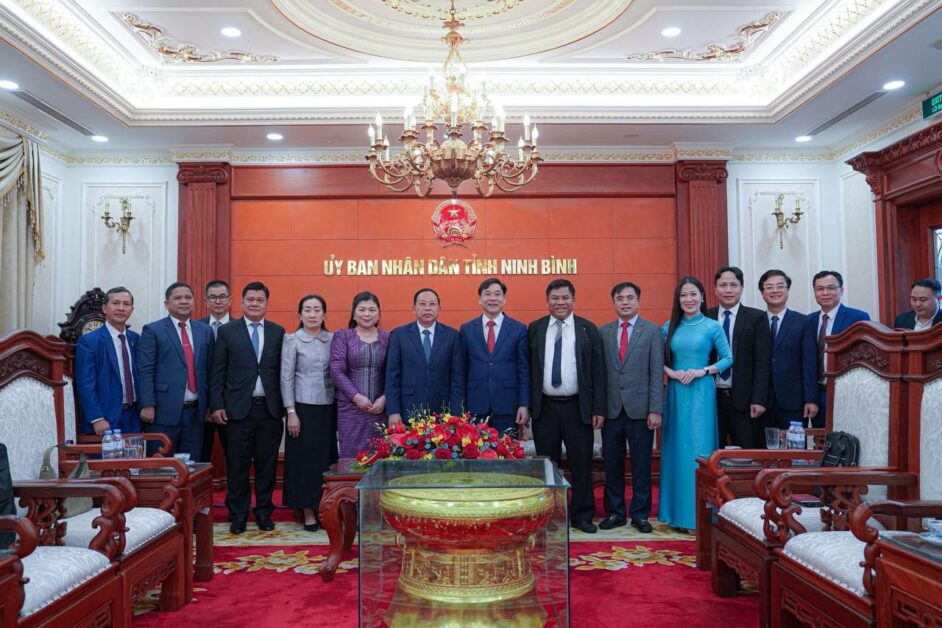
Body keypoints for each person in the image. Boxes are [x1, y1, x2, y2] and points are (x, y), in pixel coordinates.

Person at [528, 279, 606, 534]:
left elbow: (598, 371)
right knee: (547, 465)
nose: (560, 303)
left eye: (565, 298)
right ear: (547, 301)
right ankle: (550, 515)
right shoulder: (536, 328)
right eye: (555, 298)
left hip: (577, 406)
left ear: (573, 300)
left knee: (581, 463)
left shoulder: (587, 329)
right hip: (545, 408)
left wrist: (598, 408)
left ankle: (582, 515)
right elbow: (529, 369)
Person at [209, 281, 285, 534]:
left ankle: (264, 512)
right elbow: (218, 371)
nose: (255, 304)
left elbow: (282, 372)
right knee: (237, 466)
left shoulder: (278, 332)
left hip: (269, 410)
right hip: (237, 410)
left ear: (267, 304)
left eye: (260, 300)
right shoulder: (227, 331)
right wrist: (217, 405)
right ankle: (238, 514)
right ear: (241, 302)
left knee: (266, 465)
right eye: (250, 300)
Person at [659, 276, 732, 532]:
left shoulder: (712, 326)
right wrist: (672, 372)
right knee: (676, 450)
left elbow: (728, 358)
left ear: (702, 296)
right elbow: (657, 359)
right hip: (676, 392)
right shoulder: (669, 326)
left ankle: (697, 518)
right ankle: (674, 515)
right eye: (683, 295)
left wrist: (703, 371)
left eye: (693, 294)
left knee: (699, 450)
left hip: (701, 393)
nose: (688, 299)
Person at [598, 282, 663, 533]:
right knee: (612, 464)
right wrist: (599, 409)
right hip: (612, 410)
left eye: (629, 298)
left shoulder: (652, 331)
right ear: (613, 302)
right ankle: (615, 512)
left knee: (641, 465)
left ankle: (640, 514)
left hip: (641, 410)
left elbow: (656, 373)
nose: (625, 302)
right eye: (620, 298)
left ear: (638, 301)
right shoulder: (603, 332)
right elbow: (599, 375)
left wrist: (655, 409)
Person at [136, 282, 214, 459]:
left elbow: (210, 369)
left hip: (196, 413)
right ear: (167, 304)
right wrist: (147, 404)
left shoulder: (205, 331)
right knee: (161, 466)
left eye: (188, 297)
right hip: (162, 412)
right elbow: (145, 370)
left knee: (191, 465)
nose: (184, 301)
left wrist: (211, 404)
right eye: (178, 298)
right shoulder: (153, 330)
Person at [281, 294, 336, 532]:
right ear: (300, 314)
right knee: (305, 461)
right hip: (302, 408)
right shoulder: (292, 340)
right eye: (307, 310)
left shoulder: (333, 339)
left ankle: (325, 506)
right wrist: (291, 411)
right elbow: (286, 377)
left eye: (317, 310)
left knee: (325, 459)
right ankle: (307, 510)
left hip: (329, 406)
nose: (312, 314)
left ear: (324, 314)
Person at [706, 266, 771, 449]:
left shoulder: (757, 317)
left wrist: (759, 399)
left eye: (733, 285)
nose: (728, 290)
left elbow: (763, 362)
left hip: (745, 402)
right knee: (710, 453)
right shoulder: (705, 317)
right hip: (711, 398)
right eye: (723, 285)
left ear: (742, 288)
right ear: (715, 289)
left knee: (746, 455)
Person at [458, 278, 530, 436]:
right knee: (473, 450)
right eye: (487, 294)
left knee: (508, 450)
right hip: (475, 406)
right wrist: (459, 407)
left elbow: (523, 370)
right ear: (480, 299)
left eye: (497, 294)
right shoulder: (467, 329)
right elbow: (461, 371)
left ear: (504, 299)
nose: (492, 298)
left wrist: (524, 404)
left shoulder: (518, 329)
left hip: (507, 406)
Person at [385, 288, 464, 426]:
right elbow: (392, 375)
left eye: (432, 304)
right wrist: (393, 411)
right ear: (414, 309)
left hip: (443, 410)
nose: (427, 308)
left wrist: (457, 413)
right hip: (408, 409)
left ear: (439, 309)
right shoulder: (399, 335)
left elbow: (457, 377)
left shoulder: (452, 336)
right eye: (422, 304)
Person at [329, 292, 389, 458]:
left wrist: (385, 398)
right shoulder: (343, 336)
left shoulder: (388, 337)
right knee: (351, 459)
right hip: (350, 410)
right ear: (354, 314)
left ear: (379, 314)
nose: (367, 314)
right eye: (362, 309)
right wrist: (356, 397)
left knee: (380, 456)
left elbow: (394, 372)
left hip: (380, 409)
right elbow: (336, 370)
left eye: (372, 310)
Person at [75, 286, 142, 435]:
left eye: (126, 304)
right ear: (105, 308)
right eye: (115, 303)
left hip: (134, 416)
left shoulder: (136, 339)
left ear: (131, 310)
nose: (121, 308)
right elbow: (85, 384)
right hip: (105, 418)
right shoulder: (90, 341)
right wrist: (96, 418)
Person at [808, 270, 870, 427]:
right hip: (816, 393)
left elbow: (865, 356)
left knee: (846, 437)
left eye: (831, 288)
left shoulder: (858, 318)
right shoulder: (808, 320)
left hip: (847, 393)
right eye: (820, 289)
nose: (825, 293)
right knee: (820, 437)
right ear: (814, 293)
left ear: (841, 290)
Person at [758, 269, 818, 430]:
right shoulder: (756, 321)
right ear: (762, 293)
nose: (775, 290)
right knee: (764, 445)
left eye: (780, 286)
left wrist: (811, 399)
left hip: (794, 402)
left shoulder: (803, 322)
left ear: (787, 291)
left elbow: (809, 364)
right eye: (769, 287)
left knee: (794, 445)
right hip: (762, 403)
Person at [199, 279, 232, 463]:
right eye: (213, 297)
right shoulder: (195, 328)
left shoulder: (241, 328)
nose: (218, 301)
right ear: (206, 301)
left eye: (222, 297)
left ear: (230, 300)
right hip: (201, 405)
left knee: (235, 457)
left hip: (231, 405)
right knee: (200, 456)